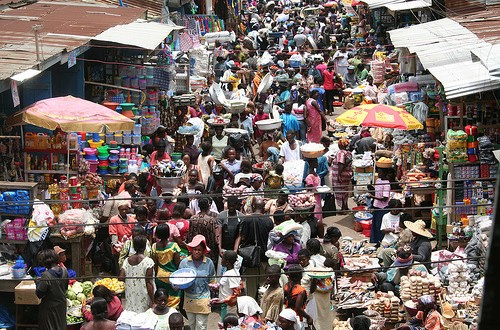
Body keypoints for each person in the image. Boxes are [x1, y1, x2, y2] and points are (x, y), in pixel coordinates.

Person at [234, 198, 274, 299]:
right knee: (263, 287)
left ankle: (251, 312)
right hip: (264, 258)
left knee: (251, 288)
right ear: (264, 209)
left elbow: (242, 237)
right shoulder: (268, 221)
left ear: (253, 207)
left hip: (250, 258)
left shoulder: (246, 220)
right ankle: (262, 309)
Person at [179, 235, 216, 330]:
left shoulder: (209, 263)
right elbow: (179, 278)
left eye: (199, 250)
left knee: (201, 326)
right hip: (188, 299)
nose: (196, 252)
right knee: (191, 325)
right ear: (191, 249)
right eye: (194, 249)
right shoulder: (184, 262)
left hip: (203, 299)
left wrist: (213, 294)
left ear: (203, 251)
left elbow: (212, 280)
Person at [119, 235, 155, 313]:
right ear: (145, 246)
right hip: (144, 297)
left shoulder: (127, 260)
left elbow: (121, 278)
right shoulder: (148, 262)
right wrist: (153, 301)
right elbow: (149, 284)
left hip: (131, 297)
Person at [35, 249, 69, 330]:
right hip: (61, 305)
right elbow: (65, 287)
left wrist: (37, 283)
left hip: (50, 308)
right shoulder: (64, 271)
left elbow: (39, 294)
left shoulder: (46, 275)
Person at [152, 224, 181, 308]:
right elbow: (177, 263)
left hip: (159, 277)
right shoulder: (174, 246)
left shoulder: (154, 246)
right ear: (168, 233)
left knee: (162, 297)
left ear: (157, 234)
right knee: (173, 298)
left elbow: (155, 264)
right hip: (172, 277)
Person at [186, 198, 219, 266]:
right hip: (207, 250)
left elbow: (190, 234)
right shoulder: (211, 220)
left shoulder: (193, 218)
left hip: (195, 249)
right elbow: (213, 236)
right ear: (208, 207)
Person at [109, 201, 137, 274]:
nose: (124, 211)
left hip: (130, 248)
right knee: (119, 267)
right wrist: (116, 245)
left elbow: (134, 233)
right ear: (118, 209)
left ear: (128, 209)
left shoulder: (132, 220)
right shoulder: (114, 219)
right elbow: (113, 233)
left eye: (126, 209)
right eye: (122, 209)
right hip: (118, 247)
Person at [213, 250, 242, 320]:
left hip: (229, 307)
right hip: (225, 305)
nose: (221, 260)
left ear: (227, 262)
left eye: (222, 258)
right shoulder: (229, 272)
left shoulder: (231, 274)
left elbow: (236, 293)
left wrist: (222, 301)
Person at [369, 168, 391, 245]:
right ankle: (377, 242)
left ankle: (382, 242)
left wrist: (372, 196)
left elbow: (385, 198)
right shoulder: (378, 181)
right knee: (375, 226)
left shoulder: (386, 184)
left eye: (380, 172)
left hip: (383, 208)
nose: (378, 174)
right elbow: (377, 192)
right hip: (376, 206)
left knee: (381, 226)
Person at [330, 138, 353, 211]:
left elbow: (341, 164)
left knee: (340, 192)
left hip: (341, 175)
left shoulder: (341, 153)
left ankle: (343, 208)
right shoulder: (348, 153)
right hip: (347, 174)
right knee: (344, 191)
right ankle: (345, 206)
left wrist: (339, 175)